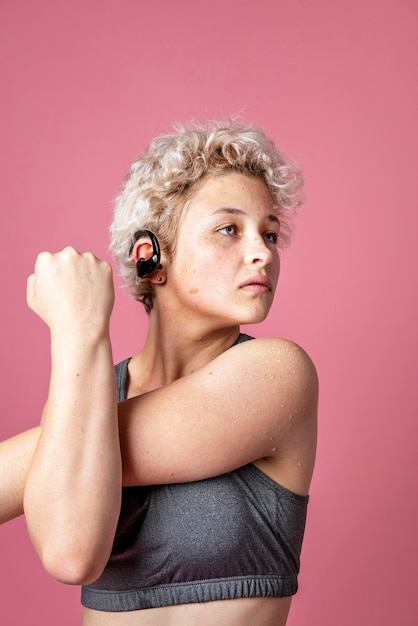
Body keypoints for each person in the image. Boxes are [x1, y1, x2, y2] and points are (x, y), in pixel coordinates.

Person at [0, 119, 318, 626]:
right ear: (151, 256)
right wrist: (84, 346)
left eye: (270, 233)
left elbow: (69, 554)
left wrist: (80, 330)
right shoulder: (95, 395)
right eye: (229, 229)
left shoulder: (278, 374)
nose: (263, 252)